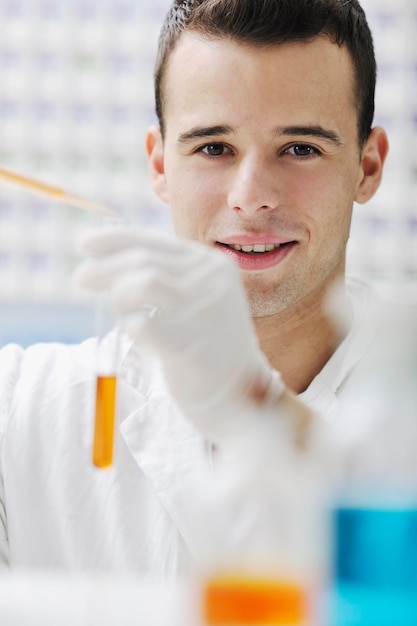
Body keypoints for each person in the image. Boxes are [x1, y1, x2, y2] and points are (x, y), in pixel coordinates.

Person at [0, 0, 388, 575]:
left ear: (367, 166)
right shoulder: (22, 411)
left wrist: (257, 410)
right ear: (159, 164)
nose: (251, 196)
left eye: (301, 148)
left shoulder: (400, 417)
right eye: (213, 148)